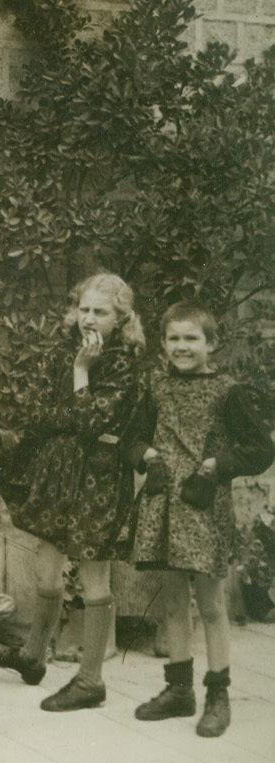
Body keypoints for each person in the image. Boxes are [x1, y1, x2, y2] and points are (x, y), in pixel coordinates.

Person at [0, 272, 145, 711]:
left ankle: (91, 679)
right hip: (59, 473)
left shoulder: (125, 364)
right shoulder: (62, 351)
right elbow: (40, 412)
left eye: (101, 312)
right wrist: (73, 405)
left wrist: (81, 373)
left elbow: (90, 423)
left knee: (94, 575)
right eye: (84, 310)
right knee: (46, 567)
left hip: (98, 477)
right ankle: (34, 656)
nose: (89, 319)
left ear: (122, 317)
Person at [126, 300, 273, 737]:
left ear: (212, 344)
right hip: (164, 506)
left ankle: (218, 694)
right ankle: (178, 690)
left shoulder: (228, 391)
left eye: (192, 338)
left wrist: (217, 465)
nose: (182, 346)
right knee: (173, 601)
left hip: (203, 504)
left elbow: (262, 448)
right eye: (174, 338)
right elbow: (132, 438)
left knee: (210, 604)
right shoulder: (154, 386)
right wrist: (144, 453)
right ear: (163, 344)